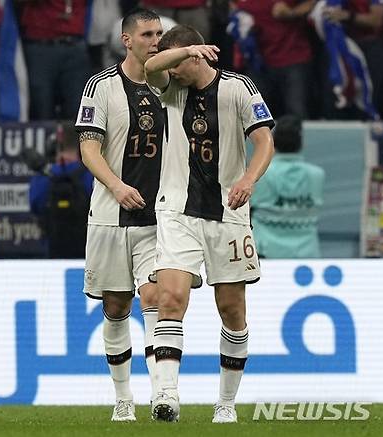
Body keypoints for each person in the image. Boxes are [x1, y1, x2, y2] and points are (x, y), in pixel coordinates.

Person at [144, 25, 275, 423]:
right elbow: (152, 66)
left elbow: (265, 141)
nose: (173, 72)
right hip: (177, 210)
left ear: (197, 59)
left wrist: (248, 180)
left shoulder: (239, 88)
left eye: (180, 62)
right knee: (169, 297)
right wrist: (185, 51)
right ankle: (166, 395)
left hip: (228, 214)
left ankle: (226, 403)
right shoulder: (171, 89)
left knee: (231, 308)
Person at [75, 9, 200, 422]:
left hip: (159, 217)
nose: (155, 41)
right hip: (111, 214)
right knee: (115, 307)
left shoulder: (170, 85)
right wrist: (117, 185)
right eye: (147, 34)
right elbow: (89, 150)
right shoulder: (101, 86)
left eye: (160, 34)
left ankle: (163, 394)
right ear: (127, 40)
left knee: (155, 297)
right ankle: (123, 397)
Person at [251, 115, 325, 258]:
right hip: (307, 254)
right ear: (301, 143)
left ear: (273, 142)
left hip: (265, 253)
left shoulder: (259, 174)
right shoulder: (317, 175)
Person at [28, 121, 93, 258]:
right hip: (86, 249)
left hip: (52, 249)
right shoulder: (91, 174)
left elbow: (35, 205)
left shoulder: (43, 177)